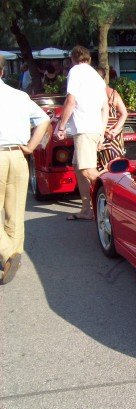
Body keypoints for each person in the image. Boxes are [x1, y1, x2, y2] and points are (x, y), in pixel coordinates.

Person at [0, 55, 51, 284]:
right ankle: (13, 255)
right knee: (15, 212)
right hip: (19, 156)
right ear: (2, 72)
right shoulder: (20, 96)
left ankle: (8, 252)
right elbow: (44, 119)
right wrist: (31, 147)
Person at [56, 46, 108, 222]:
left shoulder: (76, 71)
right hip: (92, 128)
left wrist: (61, 126)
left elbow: (71, 101)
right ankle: (87, 209)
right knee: (79, 168)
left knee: (87, 170)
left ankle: (117, 193)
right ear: (89, 58)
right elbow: (105, 107)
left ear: (73, 58)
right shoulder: (97, 77)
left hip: (83, 128)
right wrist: (101, 131)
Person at [96, 67, 128, 170]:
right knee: (116, 165)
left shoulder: (93, 94)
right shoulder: (113, 93)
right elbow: (124, 113)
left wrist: (105, 131)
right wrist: (115, 130)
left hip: (101, 131)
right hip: (115, 133)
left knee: (101, 166)